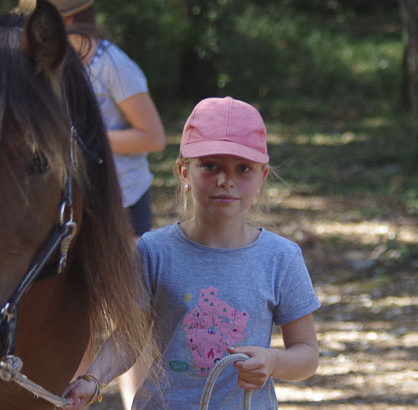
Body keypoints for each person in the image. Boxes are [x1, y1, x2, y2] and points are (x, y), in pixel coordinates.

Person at [62, 97, 320, 409]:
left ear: (261, 178)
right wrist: (93, 379)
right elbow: (128, 337)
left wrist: (274, 362)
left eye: (243, 169)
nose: (226, 180)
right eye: (210, 166)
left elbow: (306, 353)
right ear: (184, 172)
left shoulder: (281, 258)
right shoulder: (154, 250)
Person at [50, 0, 166, 236]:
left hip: (122, 202)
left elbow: (154, 138)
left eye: (41, 20)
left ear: (67, 20)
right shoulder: (54, 61)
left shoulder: (113, 64)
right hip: (74, 202)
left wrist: (82, 138)